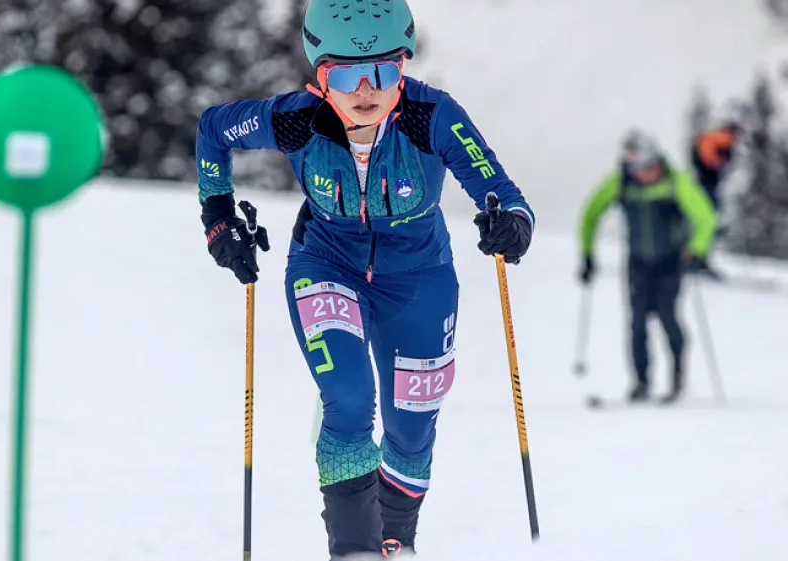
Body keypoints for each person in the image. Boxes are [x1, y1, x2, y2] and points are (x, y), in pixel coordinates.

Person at [195, 1, 535, 558]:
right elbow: (214, 129)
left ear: (403, 65)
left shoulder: (433, 116)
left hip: (419, 275)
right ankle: (354, 549)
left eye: (383, 71)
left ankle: (395, 541)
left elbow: (504, 193)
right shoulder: (294, 119)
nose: (365, 90)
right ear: (319, 75)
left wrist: (512, 225)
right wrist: (218, 217)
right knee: (349, 400)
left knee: (412, 428)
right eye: (344, 76)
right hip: (326, 263)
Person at [578, 130, 716, 404]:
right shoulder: (621, 184)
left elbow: (705, 217)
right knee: (637, 322)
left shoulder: (676, 183)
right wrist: (587, 255)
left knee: (667, 316)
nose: (641, 174)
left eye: (644, 167)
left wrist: (697, 251)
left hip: (671, 262)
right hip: (638, 263)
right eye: (634, 168)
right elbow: (590, 215)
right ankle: (641, 383)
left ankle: (678, 379)